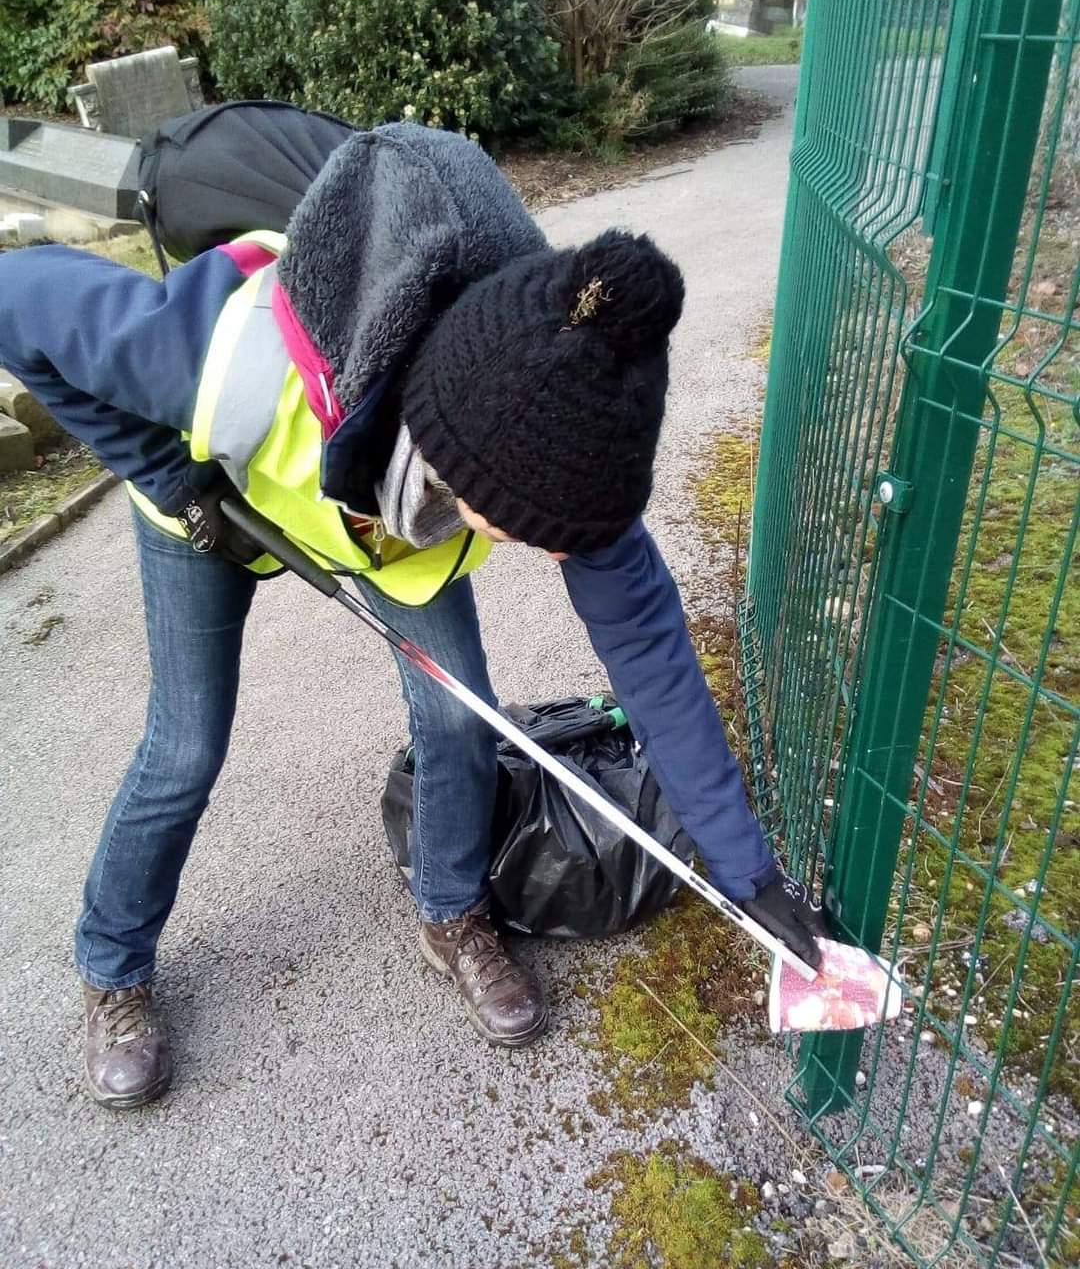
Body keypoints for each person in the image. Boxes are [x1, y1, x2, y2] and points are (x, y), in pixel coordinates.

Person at [0, 122, 821, 1110]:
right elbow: (21, 306)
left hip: (382, 520)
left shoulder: (562, 437)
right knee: (185, 747)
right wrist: (167, 476)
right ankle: (114, 964)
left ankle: (450, 907)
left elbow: (651, 653)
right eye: (524, 528)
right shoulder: (209, 353)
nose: (554, 554)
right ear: (451, 455)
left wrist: (748, 874)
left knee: (459, 714)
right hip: (209, 489)